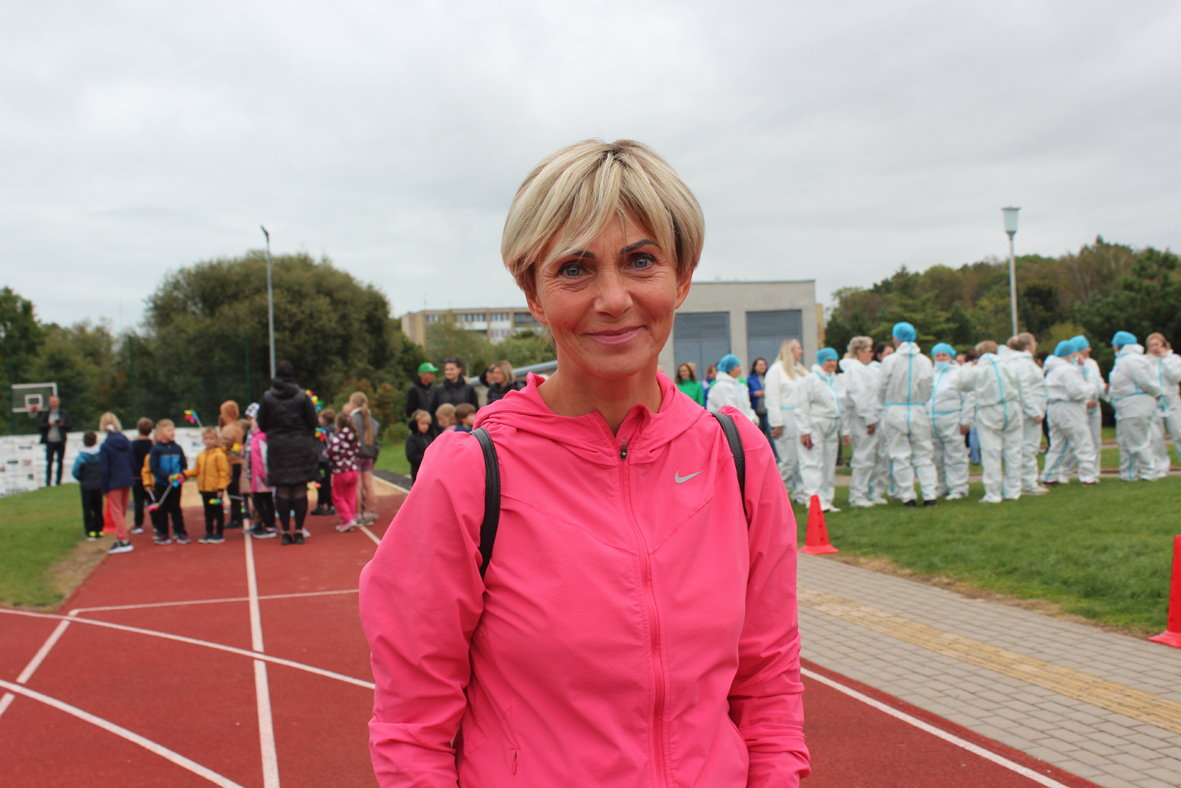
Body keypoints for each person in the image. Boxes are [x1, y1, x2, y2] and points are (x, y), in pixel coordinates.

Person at [359, 138, 809, 787]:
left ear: (682, 277)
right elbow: (411, 730)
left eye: (640, 261)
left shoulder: (736, 457)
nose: (613, 298)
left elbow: (768, 683)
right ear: (533, 293)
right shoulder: (471, 474)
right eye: (575, 268)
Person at [876, 322, 938, 507]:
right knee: (924, 454)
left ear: (896, 338)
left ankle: (907, 496)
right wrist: (920, 401)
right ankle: (930, 495)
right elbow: (928, 387)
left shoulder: (890, 361)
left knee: (900, 454)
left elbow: (881, 387)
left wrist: (885, 404)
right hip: (917, 409)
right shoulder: (924, 360)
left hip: (895, 409)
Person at [257, 361, 320, 545]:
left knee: (282, 488)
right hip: (301, 445)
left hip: (278, 447)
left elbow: (261, 424)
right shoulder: (302, 396)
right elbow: (313, 421)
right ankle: (299, 531)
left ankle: (285, 532)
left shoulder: (267, 397)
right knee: (300, 487)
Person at [957, 340, 1023, 503]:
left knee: (991, 451)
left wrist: (968, 367)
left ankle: (993, 493)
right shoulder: (1009, 365)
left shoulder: (979, 369)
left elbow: (963, 384)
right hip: (1012, 406)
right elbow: (1020, 384)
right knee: (1013, 451)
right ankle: (1013, 490)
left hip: (989, 408)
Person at [1039, 339, 1098, 486]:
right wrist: (1091, 388)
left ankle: (1049, 476)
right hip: (1070, 408)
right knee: (1083, 442)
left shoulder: (1050, 369)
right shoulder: (1067, 370)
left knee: (1057, 445)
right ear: (1071, 354)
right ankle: (1088, 477)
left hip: (1053, 408)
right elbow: (1076, 392)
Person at [797, 347, 848, 512]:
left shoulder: (836, 380)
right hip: (815, 425)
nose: (832, 363)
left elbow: (843, 406)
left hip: (833, 425)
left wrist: (845, 431)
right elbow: (802, 405)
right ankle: (813, 500)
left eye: (834, 360)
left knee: (828, 464)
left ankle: (826, 500)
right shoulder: (811, 379)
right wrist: (804, 430)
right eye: (828, 360)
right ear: (820, 362)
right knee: (812, 462)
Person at [1108, 331, 1163, 481]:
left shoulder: (1132, 359)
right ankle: (1128, 474)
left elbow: (1144, 381)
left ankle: (1149, 472)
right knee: (1125, 442)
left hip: (1135, 405)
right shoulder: (1123, 359)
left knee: (1138, 440)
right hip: (1125, 406)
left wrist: (1157, 392)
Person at [1003, 333, 1049, 495]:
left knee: (1021, 447)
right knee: (1028, 447)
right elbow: (1024, 388)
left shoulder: (1017, 361)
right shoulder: (1023, 363)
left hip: (1025, 409)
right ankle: (1027, 483)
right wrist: (1035, 411)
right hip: (1028, 412)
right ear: (1028, 346)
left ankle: (1020, 482)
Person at [839, 336, 882, 508]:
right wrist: (870, 419)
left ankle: (868, 493)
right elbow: (860, 396)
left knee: (869, 458)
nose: (872, 354)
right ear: (860, 351)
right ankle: (857, 495)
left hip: (864, 417)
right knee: (863, 458)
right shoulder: (855, 370)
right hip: (861, 419)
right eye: (869, 351)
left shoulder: (860, 369)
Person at [928, 343, 973, 500]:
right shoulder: (930, 374)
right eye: (937, 355)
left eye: (944, 355)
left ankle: (958, 488)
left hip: (952, 419)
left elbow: (969, 397)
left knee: (955, 455)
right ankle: (941, 486)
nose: (940, 358)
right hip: (932, 420)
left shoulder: (959, 374)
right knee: (936, 456)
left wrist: (966, 419)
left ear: (950, 356)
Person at [765, 339, 808, 503]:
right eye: (798, 348)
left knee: (801, 458)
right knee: (789, 460)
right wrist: (777, 423)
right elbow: (772, 398)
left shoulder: (800, 371)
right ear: (789, 351)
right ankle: (775, 496)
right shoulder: (776, 371)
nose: (801, 351)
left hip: (801, 418)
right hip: (786, 419)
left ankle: (800, 494)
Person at [147, 419, 189, 544]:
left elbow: (183, 464)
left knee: (176, 508)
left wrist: (182, 475)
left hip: (176, 484)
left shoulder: (178, 448)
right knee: (162, 509)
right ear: (160, 433)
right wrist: (166, 477)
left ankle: (180, 531)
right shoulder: (156, 449)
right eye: (168, 430)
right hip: (162, 484)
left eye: (173, 430)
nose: (172, 432)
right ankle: (163, 533)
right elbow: (154, 467)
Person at [186, 426, 230, 543]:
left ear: (216, 439)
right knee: (208, 513)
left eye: (211, 438)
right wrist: (184, 473)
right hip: (204, 489)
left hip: (215, 489)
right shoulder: (201, 455)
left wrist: (221, 488)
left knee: (218, 512)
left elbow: (223, 473)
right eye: (206, 438)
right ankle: (209, 532)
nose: (208, 441)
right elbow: (196, 471)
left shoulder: (219, 455)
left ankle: (219, 533)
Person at [98, 413, 135, 553]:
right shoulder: (126, 442)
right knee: (122, 510)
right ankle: (121, 536)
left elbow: (104, 468)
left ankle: (123, 539)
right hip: (126, 478)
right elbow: (132, 460)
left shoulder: (106, 445)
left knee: (116, 511)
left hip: (114, 481)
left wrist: (104, 487)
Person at [1071, 335, 1106, 482]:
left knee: (1095, 440)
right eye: (1086, 347)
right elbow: (1074, 387)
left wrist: (1104, 391)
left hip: (1095, 406)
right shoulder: (1071, 366)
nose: (1090, 349)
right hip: (1080, 408)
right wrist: (1084, 402)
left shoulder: (1092, 363)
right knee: (1081, 441)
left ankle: (1094, 472)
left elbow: (1098, 381)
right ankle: (1072, 472)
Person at [1146, 332, 1181, 476]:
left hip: (1172, 399)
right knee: (1156, 437)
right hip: (1155, 400)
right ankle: (1161, 467)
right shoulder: (1146, 361)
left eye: (1157, 344)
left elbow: (1177, 377)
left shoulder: (1174, 359)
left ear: (1164, 344)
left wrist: (1166, 359)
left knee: (1178, 432)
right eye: (1151, 345)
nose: (1155, 348)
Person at [349, 391, 382, 527]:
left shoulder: (352, 419)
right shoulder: (371, 420)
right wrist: (374, 457)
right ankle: (368, 513)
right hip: (369, 456)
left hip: (356, 456)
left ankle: (358, 514)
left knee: (358, 486)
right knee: (368, 485)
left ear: (353, 404)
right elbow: (376, 443)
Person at [325, 411, 361, 532]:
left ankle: (348, 519)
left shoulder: (338, 438)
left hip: (341, 471)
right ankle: (349, 519)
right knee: (350, 497)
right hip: (353, 470)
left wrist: (325, 453)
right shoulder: (355, 436)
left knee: (337, 497)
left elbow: (330, 452)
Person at [247, 412, 277, 539]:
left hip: (260, 478)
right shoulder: (268, 437)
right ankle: (272, 525)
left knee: (258, 502)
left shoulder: (256, 440)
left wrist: (261, 475)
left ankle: (268, 526)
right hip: (269, 474)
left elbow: (256, 460)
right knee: (269, 501)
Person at [706, 353, 759, 424]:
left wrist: (753, 419)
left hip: (744, 425)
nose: (741, 368)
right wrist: (748, 423)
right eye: (738, 366)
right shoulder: (721, 387)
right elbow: (730, 412)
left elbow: (747, 406)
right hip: (731, 428)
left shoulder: (739, 385)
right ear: (730, 369)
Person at [218, 401, 246, 528]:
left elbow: (221, 444)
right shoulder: (237, 425)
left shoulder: (229, 428)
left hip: (231, 463)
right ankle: (237, 516)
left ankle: (236, 518)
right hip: (237, 462)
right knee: (235, 491)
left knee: (233, 492)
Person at [34, 395, 72, 486]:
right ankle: (48, 482)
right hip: (50, 440)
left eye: (55, 401)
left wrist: (62, 425)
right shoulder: (46, 414)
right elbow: (40, 426)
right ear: (49, 402)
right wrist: (49, 424)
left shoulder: (64, 413)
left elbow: (70, 426)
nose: (54, 403)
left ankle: (59, 481)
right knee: (49, 462)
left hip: (61, 440)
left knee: (60, 461)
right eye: (52, 401)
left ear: (58, 402)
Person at [72, 431, 103, 540]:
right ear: (96, 441)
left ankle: (90, 532)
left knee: (87, 509)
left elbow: (75, 472)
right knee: (98, 508)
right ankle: (99, 530)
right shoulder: (100, 455)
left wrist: (82, 479)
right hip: (98, 485)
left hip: (86, 486)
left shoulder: (81, 457)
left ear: (84, 442)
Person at [311, 408, 336, 516]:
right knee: (321, 482)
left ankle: (330, 505)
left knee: (323, 483)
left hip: (322, 459)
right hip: (327, 459)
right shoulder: (334, 429)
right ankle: (320, 504)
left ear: (324, 419)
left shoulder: (322, 431)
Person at [131, 418, 154, 535]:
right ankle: (156, 524)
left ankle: (138, 525)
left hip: (137, 476)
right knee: (152, 500)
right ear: (151, 430)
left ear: (138, 429)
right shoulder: (153, 444)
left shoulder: (132, 445)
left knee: (138, 502)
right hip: (150, 477)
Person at [747, 357, 774, 444]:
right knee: (758, 435)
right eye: (760, 365)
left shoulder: (770, 377)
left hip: (768, 411)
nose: (763, 367)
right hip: (756, 411)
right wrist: (755, 394)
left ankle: (773, 452)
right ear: (755, 367)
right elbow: (746, 394)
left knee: (771, 434)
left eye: (764, 365)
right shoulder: (750, 379)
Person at [404, 410, 434, 484]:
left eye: (427, 424)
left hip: (429, 470)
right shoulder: (412, 439)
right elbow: (411, 456)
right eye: (422, 423)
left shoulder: (429, 437)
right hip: (417, 471)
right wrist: (426, 459)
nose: (425, 426)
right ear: (415, 424)